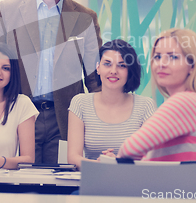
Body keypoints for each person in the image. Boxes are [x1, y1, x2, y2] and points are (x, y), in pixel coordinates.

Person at [0, 0, 102, 164]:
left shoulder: (86, 18)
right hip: (16, 112)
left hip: (64, 120)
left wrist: (101, 121)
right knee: (20, 187)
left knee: (58, 188)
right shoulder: (8, 10)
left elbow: (94, 77)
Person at [117, 28, 196, 161]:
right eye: (157, 57)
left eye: (173, 57)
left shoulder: (185, 101)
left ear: (192, 66)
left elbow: (129, 149)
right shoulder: (195, 101)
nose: (161, 64)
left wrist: (120, 158)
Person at [67, 39, 156, 169]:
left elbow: (151, 158)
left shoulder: (146, 106)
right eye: (107, 64)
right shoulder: (80, 103)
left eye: (122, 65)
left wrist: (118, 162)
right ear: (98, 68)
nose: (113, 71)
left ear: (129, 70)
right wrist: (100, 165)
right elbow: (73, 158)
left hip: (133, 182)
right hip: (92, 181)